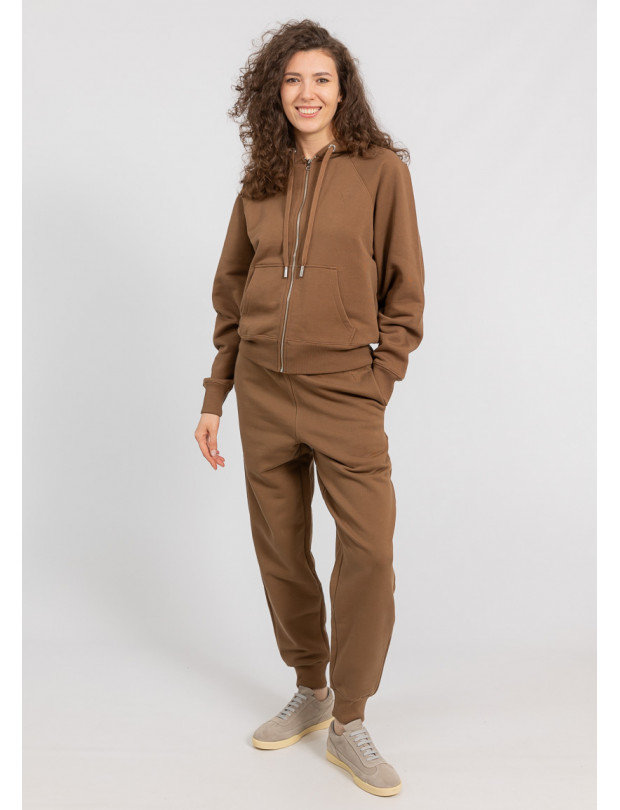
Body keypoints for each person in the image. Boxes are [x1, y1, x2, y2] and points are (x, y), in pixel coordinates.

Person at [194, 19, 425, 798]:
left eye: (321, 79)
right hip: (262, 391)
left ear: (342, 89)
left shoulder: (381, 171)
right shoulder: (259, 179)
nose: (307, 93)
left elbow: (406, 291)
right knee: (282, 550)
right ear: (275, 92)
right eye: (293, 79)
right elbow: (232, 292)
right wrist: (217, 393)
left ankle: (350, 719)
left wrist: (378, 378)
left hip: (345, 393)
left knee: (370, 555)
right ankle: (310, 687)